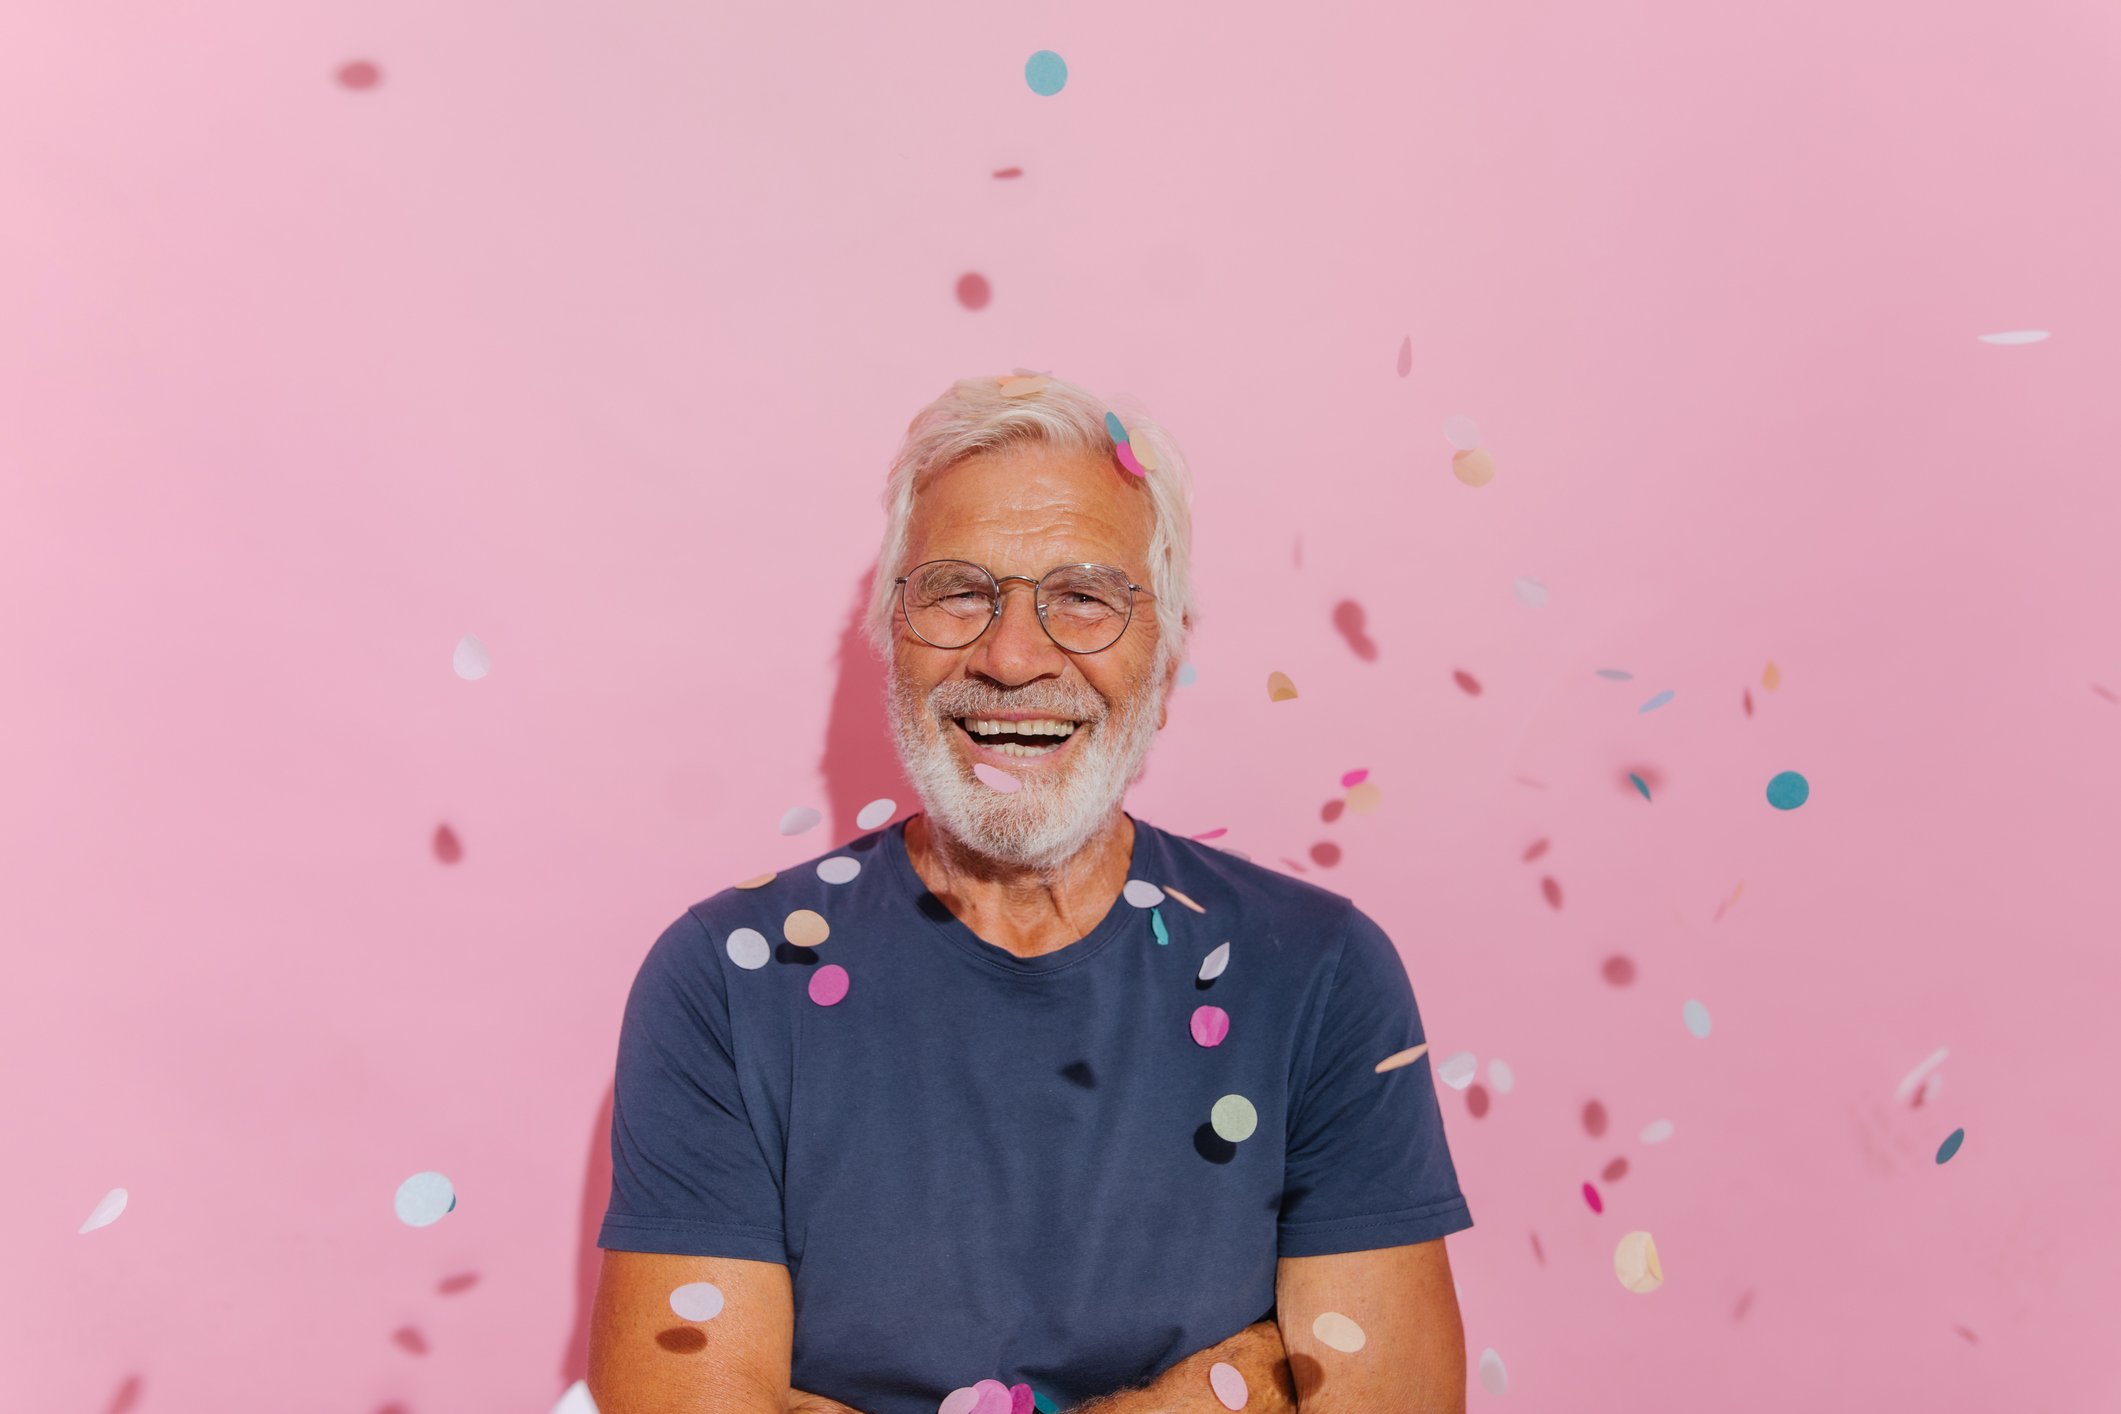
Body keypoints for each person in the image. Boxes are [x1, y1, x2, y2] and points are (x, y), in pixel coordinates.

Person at [586, 372, 1473, 1414]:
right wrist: (1216, 1392)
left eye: (1085, 597)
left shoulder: (1319, 970)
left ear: (1165, 644)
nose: (1012, 656)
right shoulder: (722, 979)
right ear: (893, 626)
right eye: (961, 591)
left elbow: (1391, 1399)